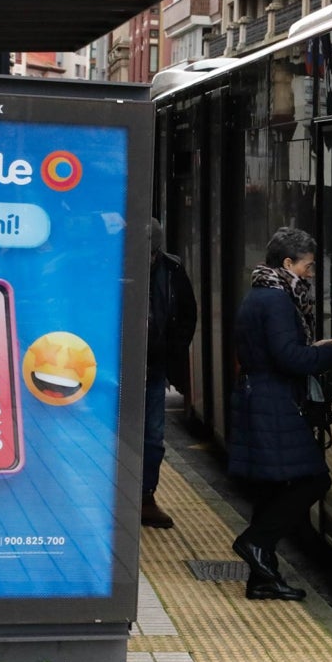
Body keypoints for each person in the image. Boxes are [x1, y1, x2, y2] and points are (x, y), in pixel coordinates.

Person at [228, 226, 332, 600]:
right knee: (313, 479)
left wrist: (314, 346)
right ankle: (254, 543)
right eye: (308, 267)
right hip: (274, 403)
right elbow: (289, 359)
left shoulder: (260, 295)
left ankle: (263, 577)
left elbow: (276, 350)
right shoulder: (277, 301)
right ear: (288, 263)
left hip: (261, 398)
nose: (311, 274)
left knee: (272, 488)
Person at [143, 218, 198, 528]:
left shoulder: (172, 270)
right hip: (115, 366)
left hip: (155, 364)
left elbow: (187, 314)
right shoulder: (109, 264)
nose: (147, 260)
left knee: (153, 435)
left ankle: (145, 497)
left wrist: (172, 352)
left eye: (151, 254)